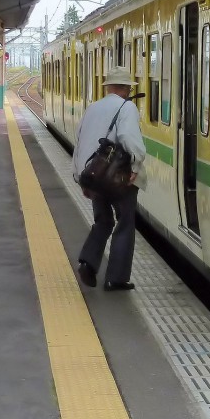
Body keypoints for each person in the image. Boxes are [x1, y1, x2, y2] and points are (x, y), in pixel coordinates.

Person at [73, 66, 146, 291]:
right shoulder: (127, 107)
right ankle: (116, 278)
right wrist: (135, 164)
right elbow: (128, 138)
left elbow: (81, 141)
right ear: (126, 88)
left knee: (103, 221)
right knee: (124, 222)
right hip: (118, 178)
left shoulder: (93, 107)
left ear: (108, 87)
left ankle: (88, 261)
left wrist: (81, 177)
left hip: (95, 175)